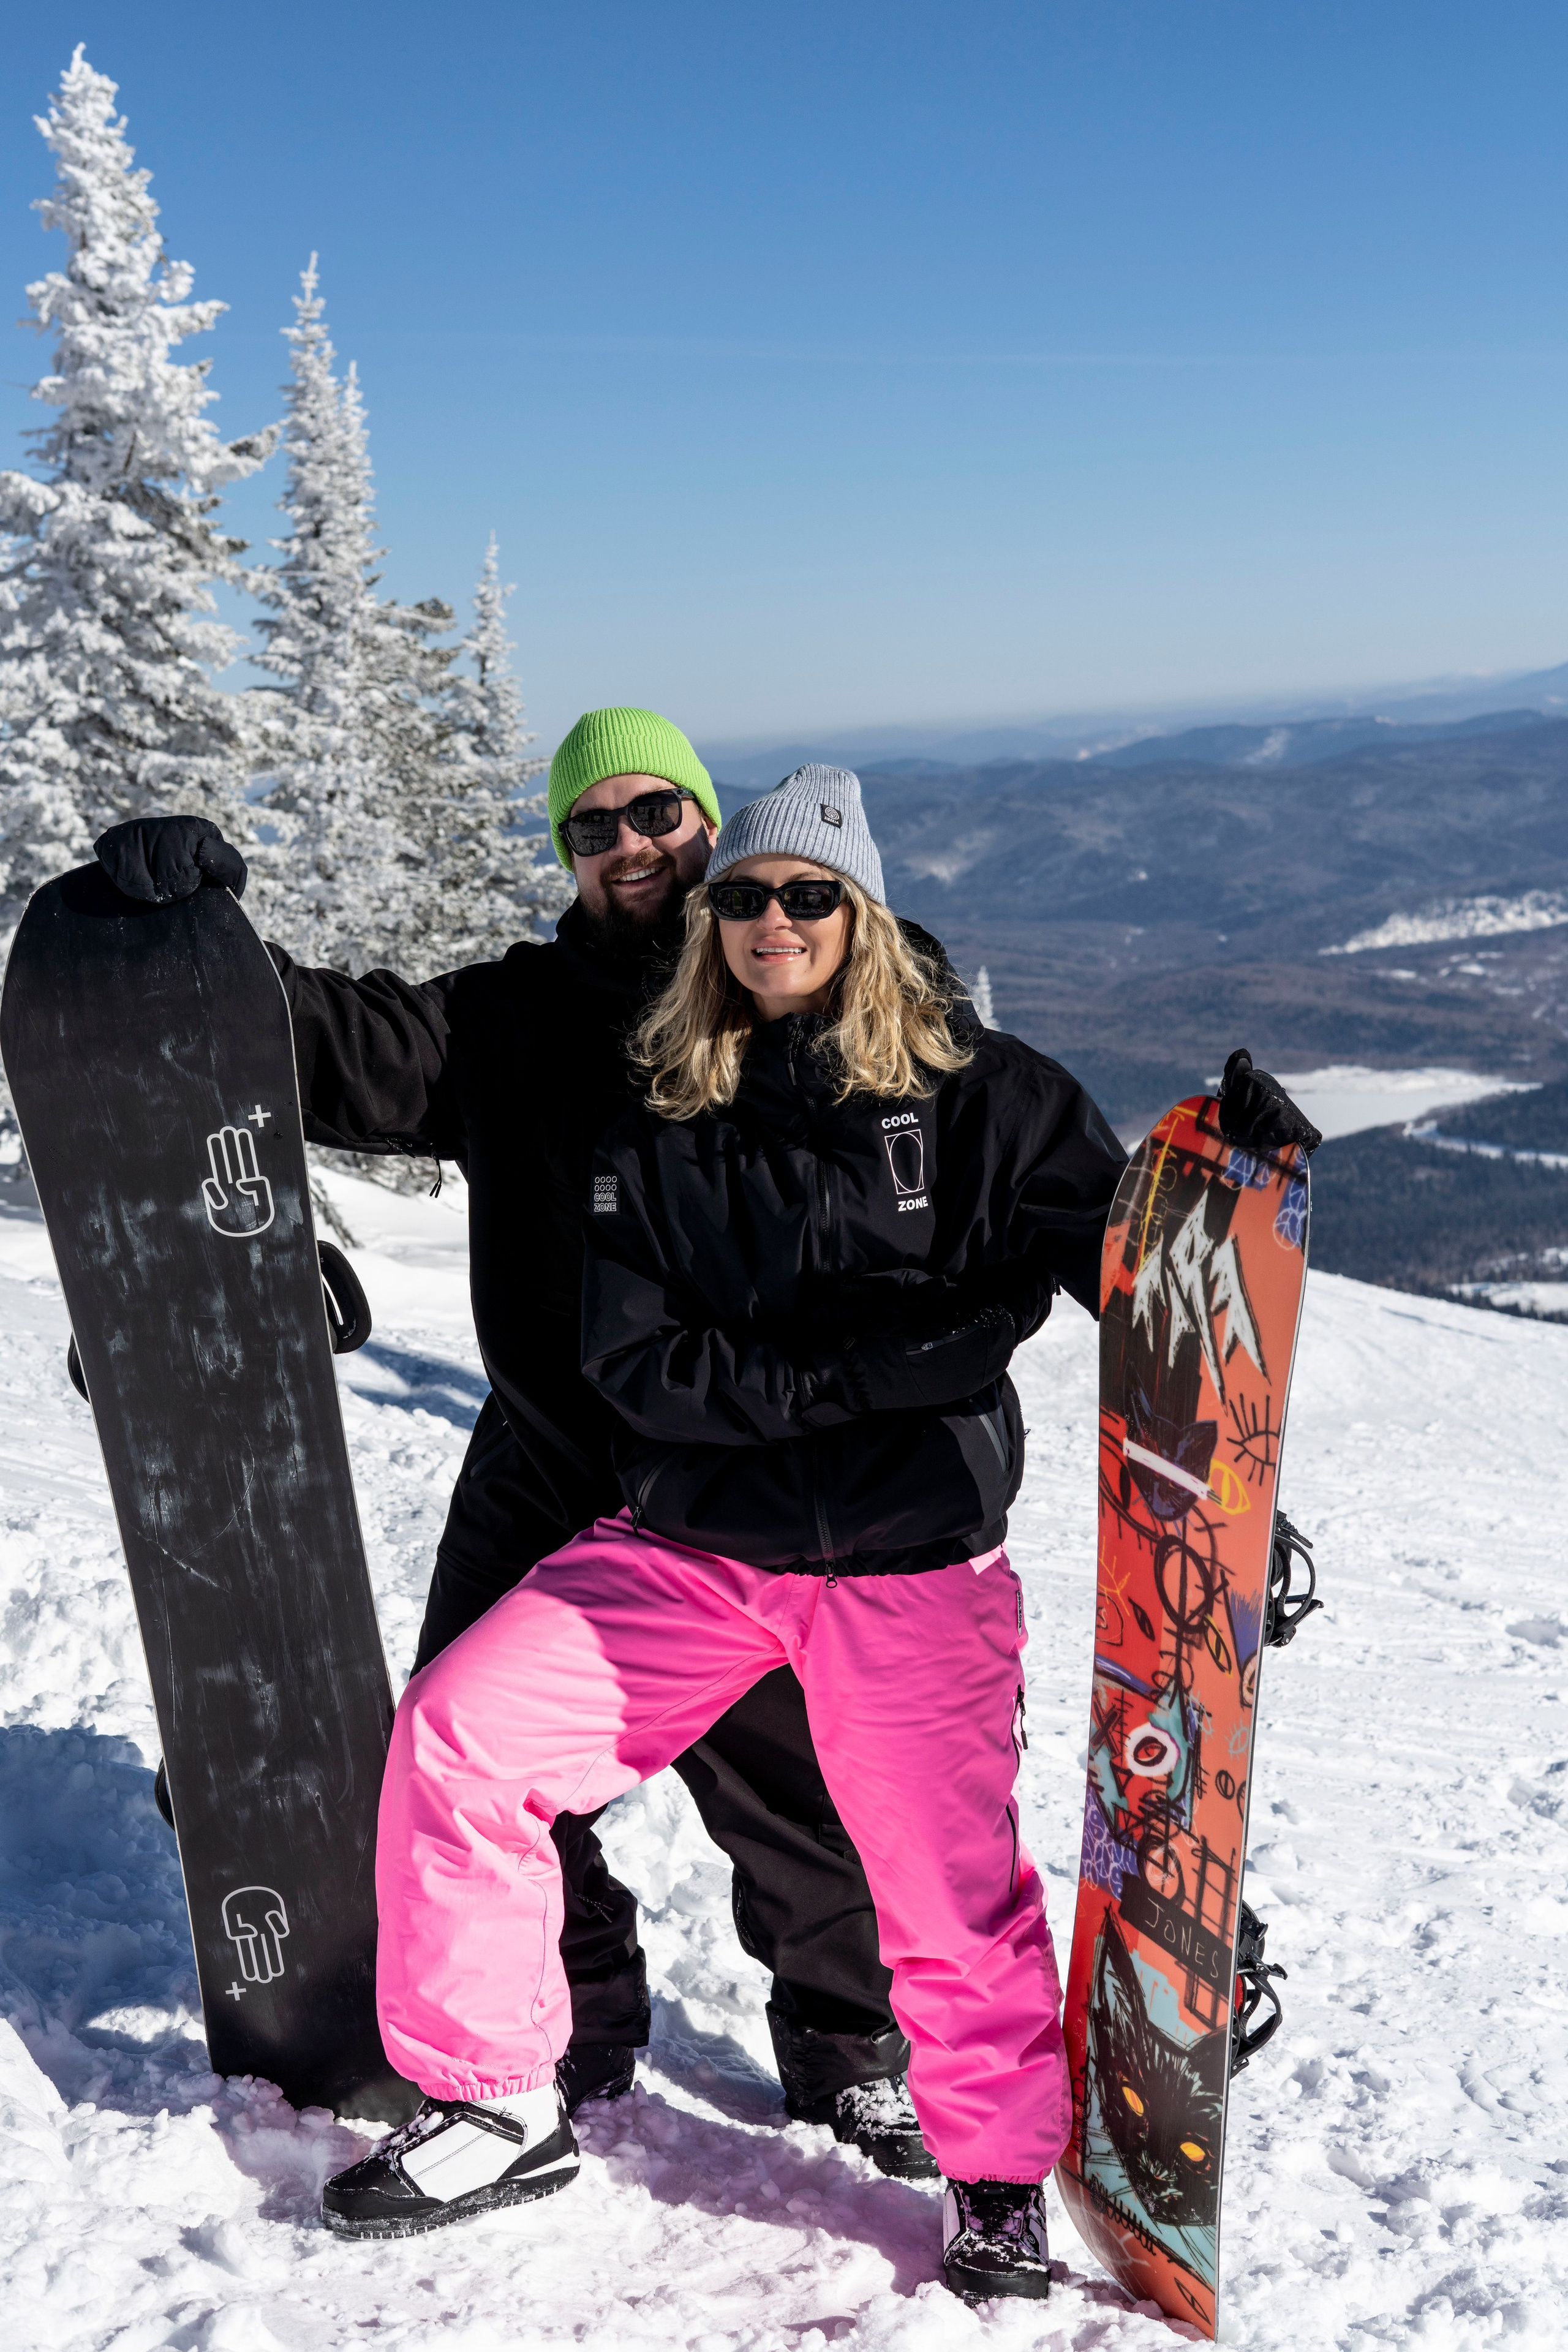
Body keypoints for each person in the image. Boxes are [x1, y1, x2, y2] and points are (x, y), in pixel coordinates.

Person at [316, 765, 1319, 2298]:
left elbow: (1130, 1283)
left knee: (938, 1889)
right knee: (461, 1739)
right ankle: (498, 2097)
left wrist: (1220, 1194)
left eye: (803, 895)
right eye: (744, 899)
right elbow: (642, 1369)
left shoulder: (985, 1095)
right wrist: (895, 1366)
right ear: (711, 921)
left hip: (905, 1575)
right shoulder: (665, 1111)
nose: (769, 920)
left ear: (854, 909)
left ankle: (989, 2175)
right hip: (694, 1558)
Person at [92, 712, 933, 2175]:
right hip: (552, 1454)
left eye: (654, 811)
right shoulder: (513, 1018)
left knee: (799, 1792)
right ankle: (572, 2026)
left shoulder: (798, 979)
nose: (627, 845)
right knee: (465, 1763)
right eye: (588, 826)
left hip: (747, 1475)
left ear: (705, 816)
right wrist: (196, 931)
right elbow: (335, 1043)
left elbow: (967, 1128)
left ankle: (849, 2050)